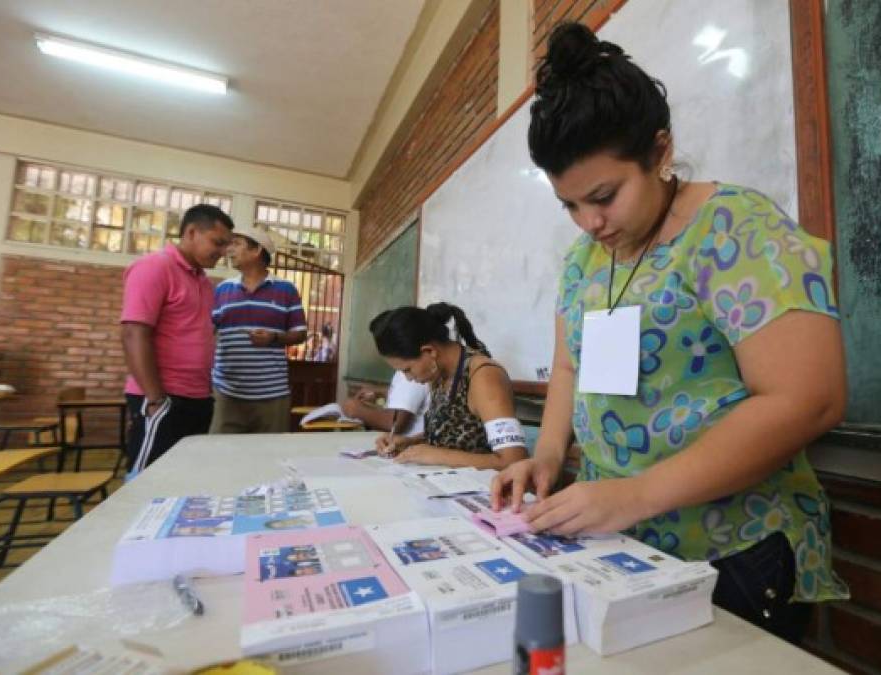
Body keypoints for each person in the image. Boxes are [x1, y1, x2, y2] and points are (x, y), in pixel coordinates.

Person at [491, 23, 848, 644]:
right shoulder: (584, 262)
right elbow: (570, 367)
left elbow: (806, 398)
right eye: (569, 205)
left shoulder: (736, 229)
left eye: (603, 196)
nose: (590, 222)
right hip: (620, 541)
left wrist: (635, 495)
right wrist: (546, 456)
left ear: (660, 152)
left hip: (734, 545)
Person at [121, 204, 234, 476]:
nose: (222, 253)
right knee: (148, 481)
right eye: (217, 243)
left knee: (184, 478)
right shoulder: (154, 267)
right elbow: (134, 333)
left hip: (197, 398)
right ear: (192, 232)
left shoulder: (205, 283)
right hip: (164, 398)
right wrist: (156, 399)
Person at [368, 303, 528, 469]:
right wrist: (410, 443)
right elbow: (454, 437)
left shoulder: (484, 377)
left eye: (407, 370)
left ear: (429, 351)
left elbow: (514, 460)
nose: (409, 378)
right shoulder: (439, 375)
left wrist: (437, 455)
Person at [210, 225, 307, 433]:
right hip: (226, 394)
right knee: (220, 457)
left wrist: (274, 338)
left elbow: (301, 334)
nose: (229, 250)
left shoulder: (286, 290)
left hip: (272, 396)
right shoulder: (222, 289)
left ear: (256, 251)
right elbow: (208, 332)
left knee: (267, 459)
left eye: (237, 244)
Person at [340, 370, 430, 436]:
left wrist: (357, 410)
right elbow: (407, 392)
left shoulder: (410, 370)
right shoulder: (409, 367)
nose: (409, 378)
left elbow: (394, 423)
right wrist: (382, 392)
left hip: (408, 448)